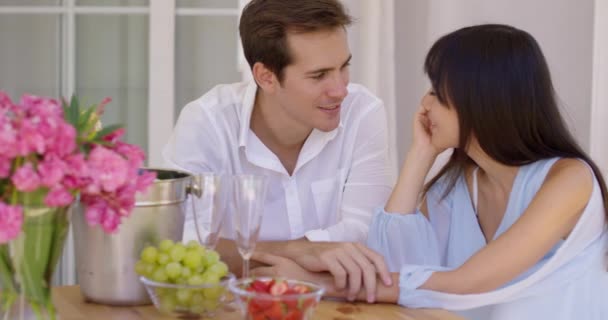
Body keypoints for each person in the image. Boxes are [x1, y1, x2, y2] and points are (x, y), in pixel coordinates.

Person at [252, 24, 608, 319]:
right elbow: (393, 261)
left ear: (482, 100)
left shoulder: (569, 181)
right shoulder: (457, 188)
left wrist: (320, 284)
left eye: (437, 92)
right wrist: (420, 155)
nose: (424, 104)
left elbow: (469, 282)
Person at [162, 0, 394, 293]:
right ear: (266, 77)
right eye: (319, 75)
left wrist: (281, 258)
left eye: (343, 67)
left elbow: (369, 232)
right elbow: (184, 243)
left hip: (335, 307)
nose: (340, 90)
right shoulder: (207, 123)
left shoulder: (363, 113)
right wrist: (297, 251)